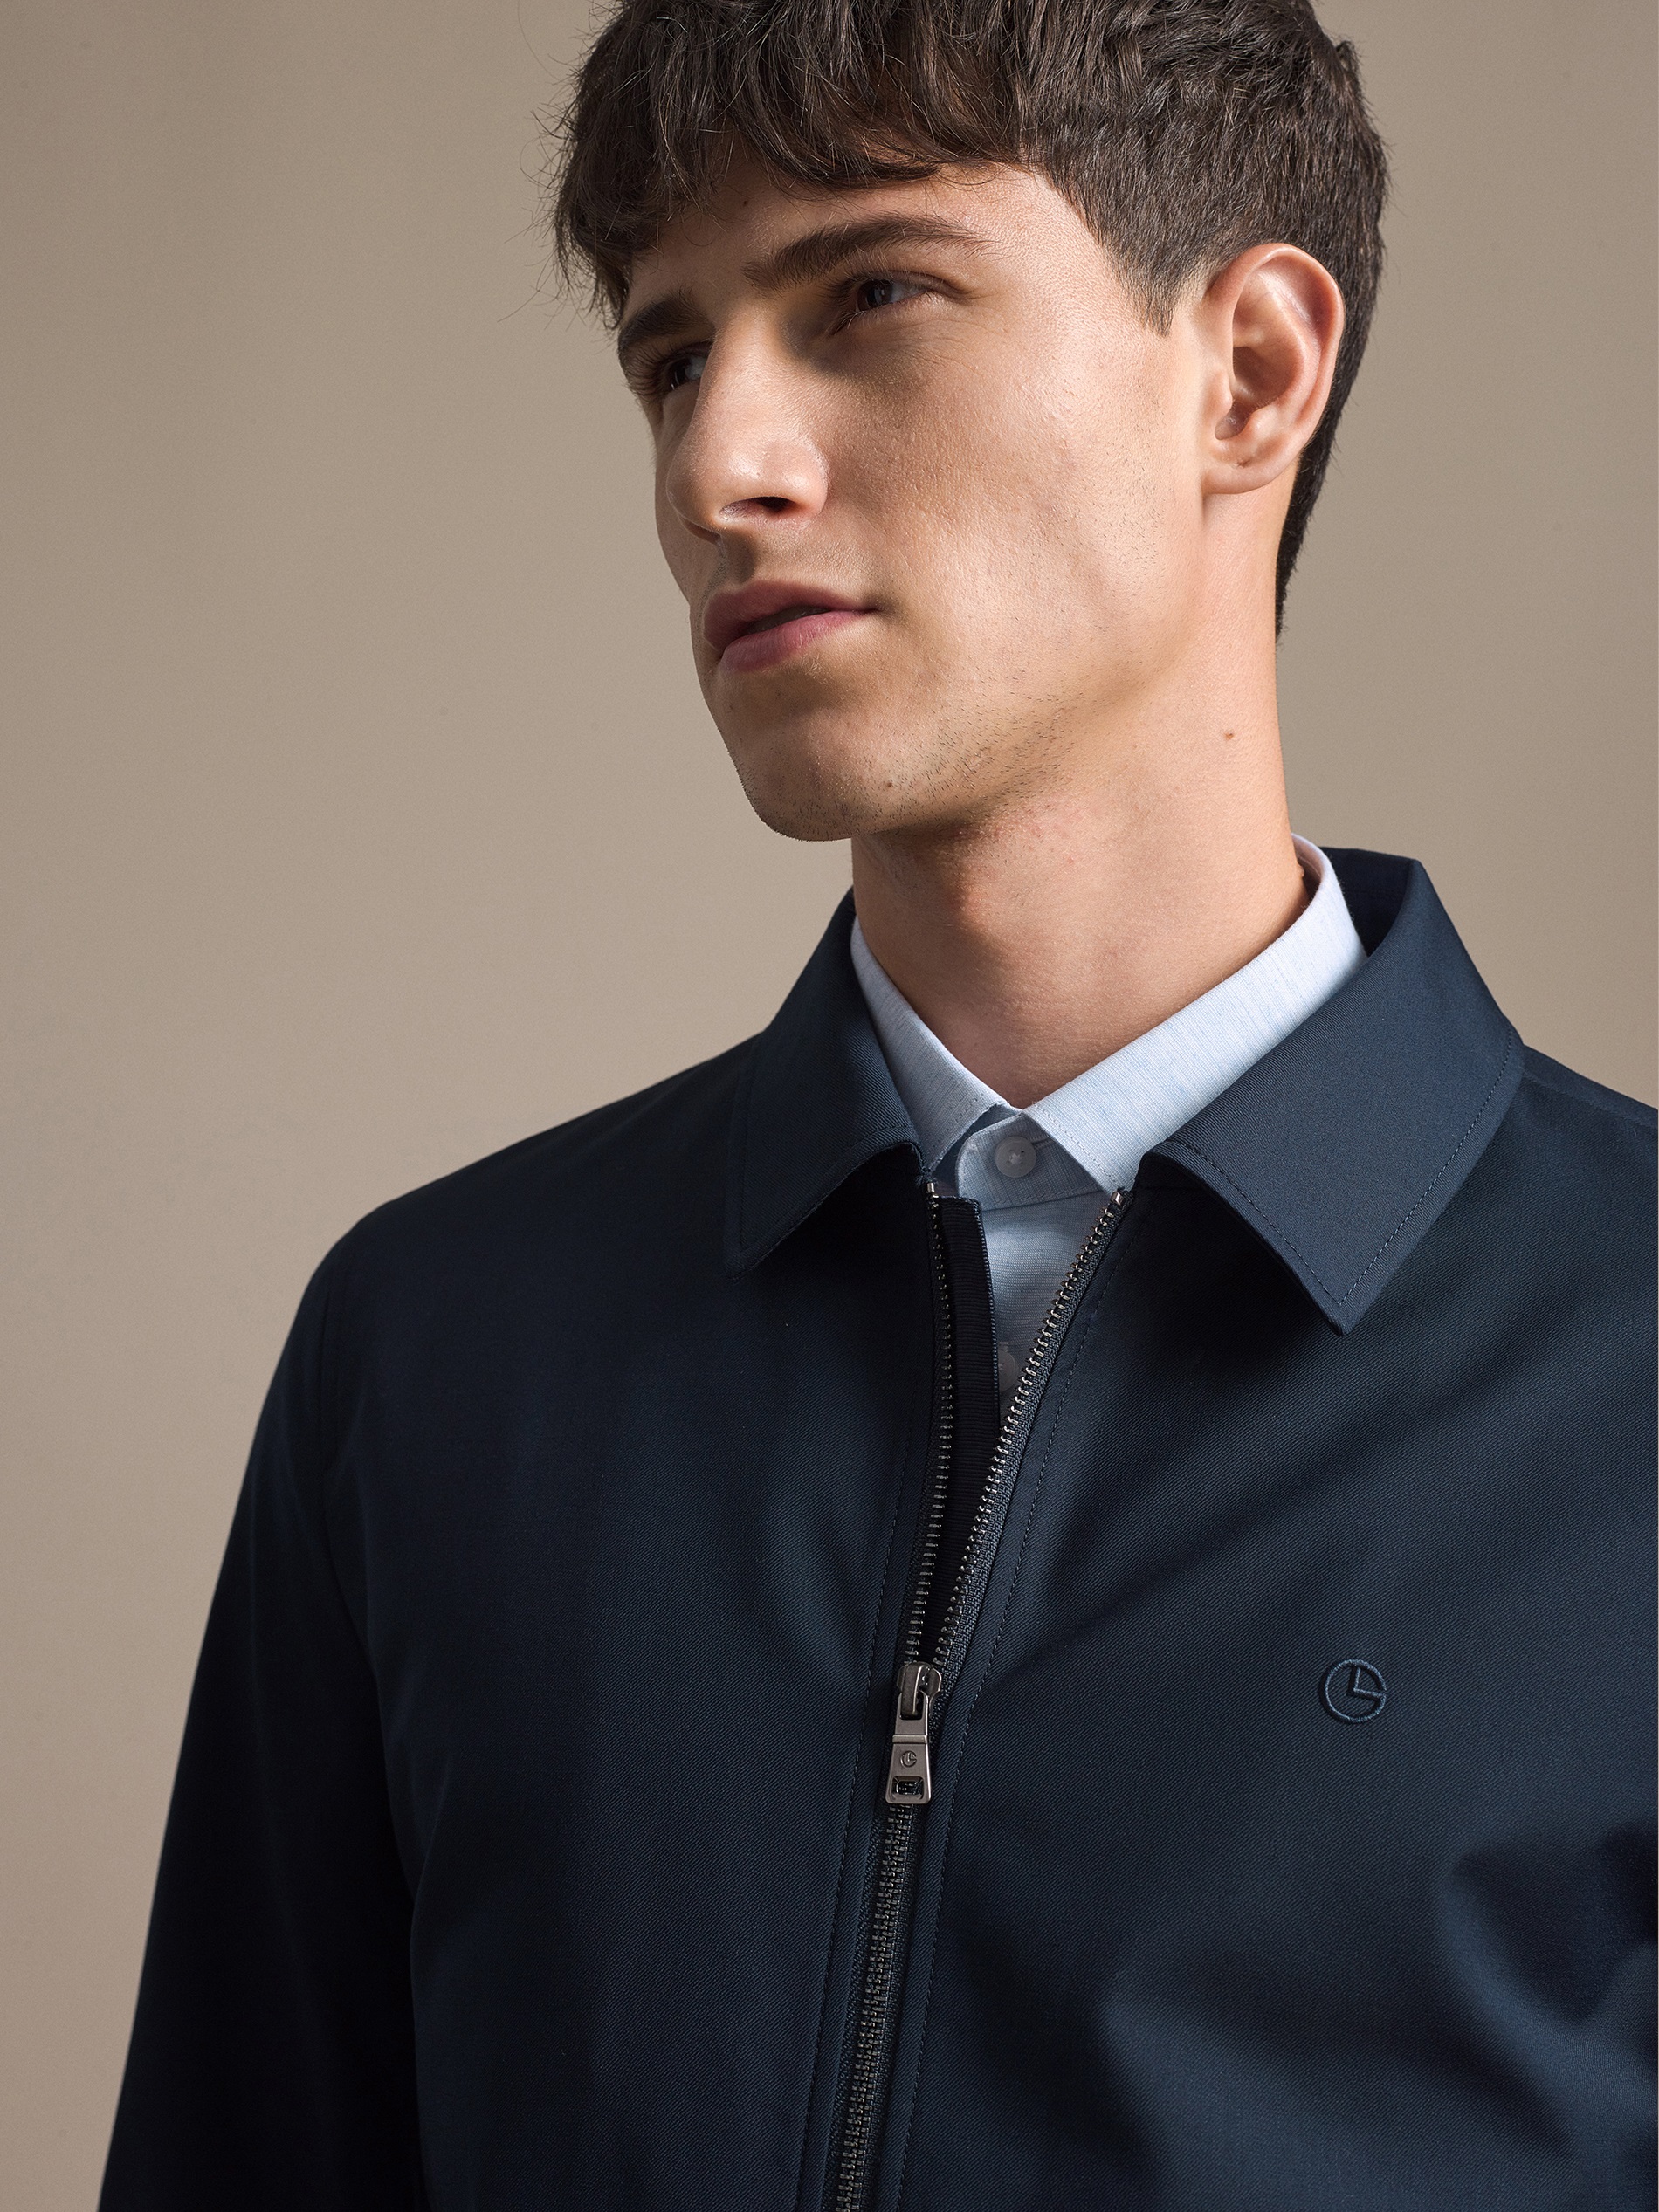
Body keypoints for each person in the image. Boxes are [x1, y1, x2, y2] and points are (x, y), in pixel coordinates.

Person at [100, 1, 1655, 2206]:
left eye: (870, 296)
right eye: (668, 357)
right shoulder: (431, 1354)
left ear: (1245, 373)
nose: (716, 463)